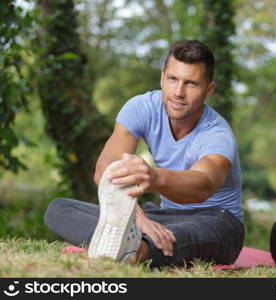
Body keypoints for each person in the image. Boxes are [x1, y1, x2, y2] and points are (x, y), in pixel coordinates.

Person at [44, 39, 244, 267]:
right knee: (60, 208)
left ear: (209, 90)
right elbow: (104, 170)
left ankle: (136, 250)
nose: (178, 92)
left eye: (191, 84)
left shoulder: (218, 134)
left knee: (181, 234)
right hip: (162, 216)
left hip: (216, 221)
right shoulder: (142, 108)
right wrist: (135, 218)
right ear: (162, 78)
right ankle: (128, 242)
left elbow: (204, 185)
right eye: (172, 79)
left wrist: (155, 177)